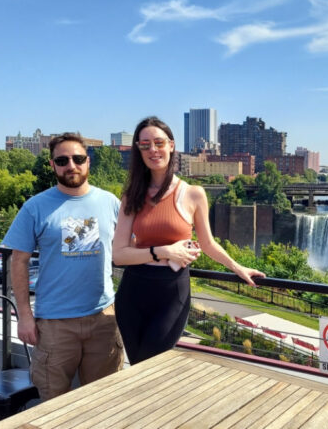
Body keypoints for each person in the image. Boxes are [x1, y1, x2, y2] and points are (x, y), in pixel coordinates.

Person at [112, 116, 265, 364]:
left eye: (159, 143)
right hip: (133, 292)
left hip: (172, 291)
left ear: (171, 145)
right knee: (138, 367)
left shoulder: (193, 194)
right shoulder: (132, 196)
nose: (153, 150)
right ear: (138, 150)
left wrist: (238, 267)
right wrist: (164, 251)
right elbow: (118, 254)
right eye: (145, 144)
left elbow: (208, 244)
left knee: (151, 364)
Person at [3, 133, 124, 400]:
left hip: (103, 320)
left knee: (104, 400)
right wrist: (24, 316)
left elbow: (133, 246)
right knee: (53, 402)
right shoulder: (35, 207)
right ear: (52, 165)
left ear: (88, 162)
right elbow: (19, 261)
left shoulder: (111, 203)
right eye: (62, 160)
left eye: (78, 158)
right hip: (55, 325)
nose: (71, 165)